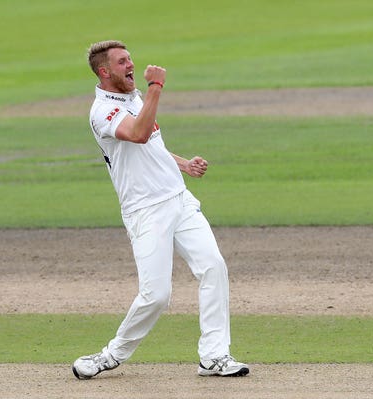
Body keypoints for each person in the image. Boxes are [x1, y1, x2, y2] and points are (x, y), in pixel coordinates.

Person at [72, 40, 249, 379]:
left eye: (130, 59)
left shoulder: (134, 97)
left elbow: (152, 146)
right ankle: (111, 354)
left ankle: (214, 356)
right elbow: (137, 134)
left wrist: (183, 164)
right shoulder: (102, 111)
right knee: (156, 296)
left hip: (178, 200)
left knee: (213, 267)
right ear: (104, 71)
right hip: (145, 211)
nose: (131, 65)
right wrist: (156, 87)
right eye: (123, 62)